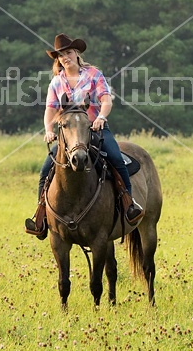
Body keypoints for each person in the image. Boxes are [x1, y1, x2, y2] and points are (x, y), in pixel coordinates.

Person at [25, 33, 143, 236]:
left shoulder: (94, 75)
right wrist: (48, 130)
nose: (65, 57)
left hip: (95, 129)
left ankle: (128, 205)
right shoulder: (56, 82)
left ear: (77, 53)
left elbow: (106, 100)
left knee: (116, 159)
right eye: (61, 55)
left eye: (68, 52)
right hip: (69, 135)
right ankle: (41, 217)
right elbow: (50, 110)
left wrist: (101, 118)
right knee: (45, 170)